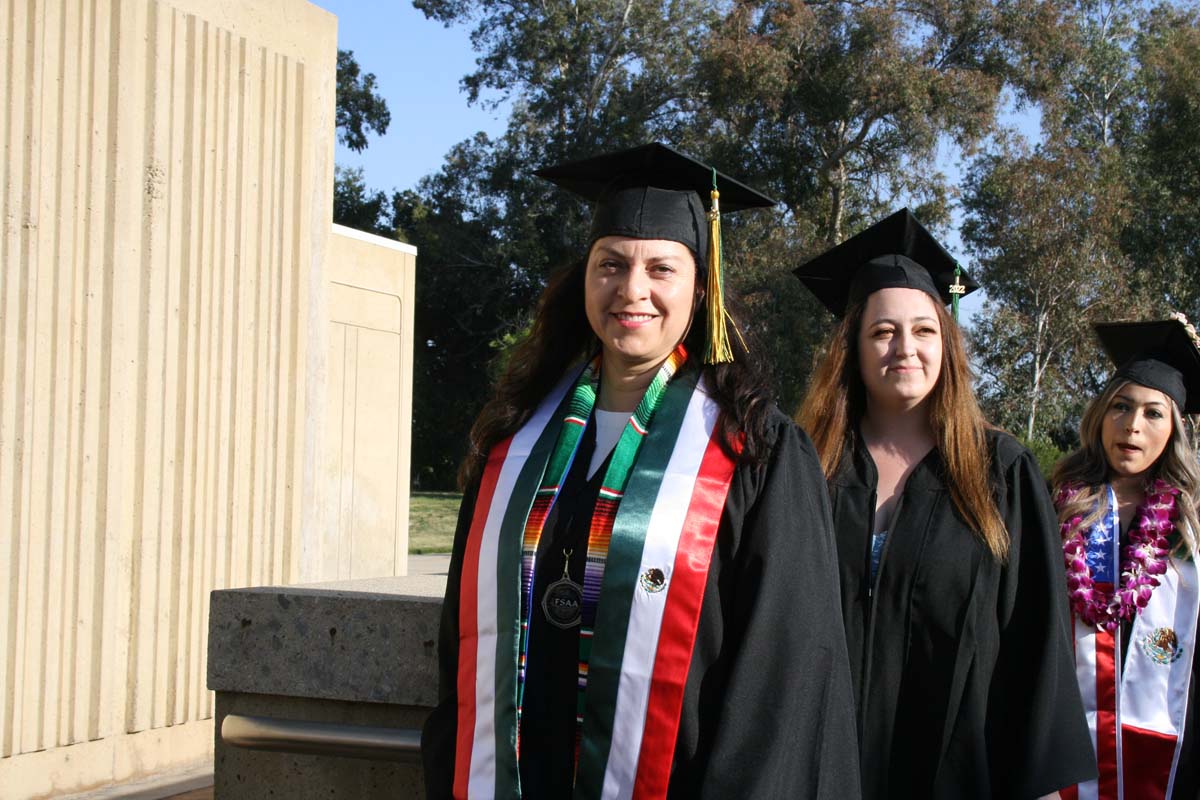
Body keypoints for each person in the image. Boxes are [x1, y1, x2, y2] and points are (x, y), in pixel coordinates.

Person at [421, 143, 861, 799]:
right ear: (585, 281)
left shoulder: (756, 454)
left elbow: (784, 681)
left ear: (701, 290)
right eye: (611, 265)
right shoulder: (514, 444)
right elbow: (461, 651)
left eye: (661, 268)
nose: (632, 289)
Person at [793, 209, 1096, 799]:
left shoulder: (1000, 473)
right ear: (851, 346)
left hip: (954, 775)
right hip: (814, 767)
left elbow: (1036, 642)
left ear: (946, 342)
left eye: (924, 330)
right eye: (882, 331)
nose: (905, 347)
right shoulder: (804, 467)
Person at [1050, 317, 1200, 799]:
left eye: (1153, 413)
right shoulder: (1056, 503)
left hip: (1172, 752)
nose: (1132, 426)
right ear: (1100, 414)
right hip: (1062, 747)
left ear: (1174, 428)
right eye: (1121, 406)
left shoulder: (1190, 528)